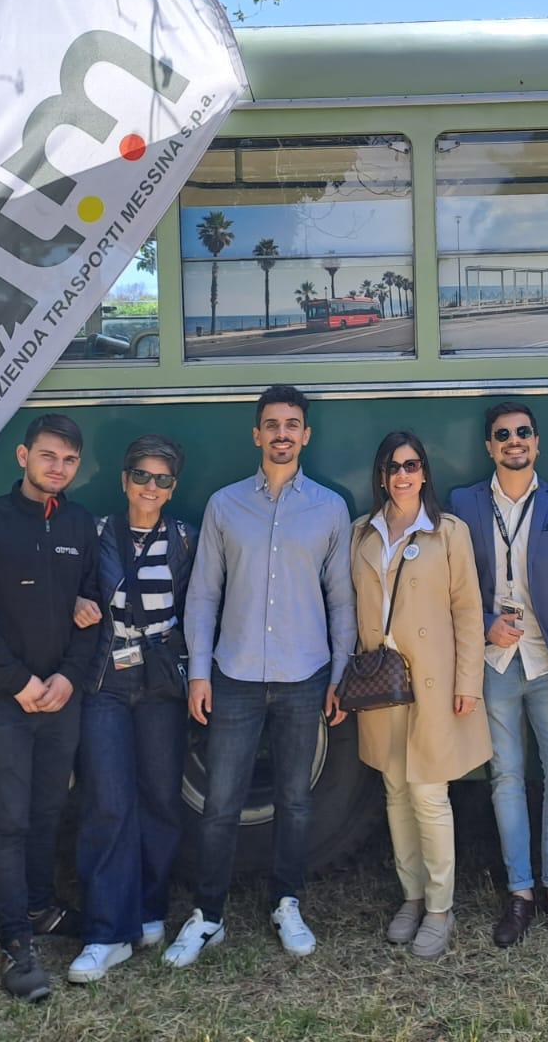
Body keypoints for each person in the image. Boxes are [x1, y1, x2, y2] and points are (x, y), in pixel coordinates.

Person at [165, 385, 356, 968]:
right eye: (271, 424)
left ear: (306, 435)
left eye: (292, 424)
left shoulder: (328, 507)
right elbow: (202, 596)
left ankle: (287, 901)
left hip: (305, 675)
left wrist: (340, 676)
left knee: (296, 801)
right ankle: (208, 916)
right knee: (221, 803)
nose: (282, 434)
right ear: (256, 434)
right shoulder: (225, 506)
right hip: (235, 675)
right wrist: (200, 674)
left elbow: (342, 600)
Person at [0, 413, 101, 1002]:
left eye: (67, 460)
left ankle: (40, 909)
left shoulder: (82, 525)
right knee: (7, 822)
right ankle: (15, 944)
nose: (57, 468)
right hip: (3, 702)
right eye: (47, 457)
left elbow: (91, 610)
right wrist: (18, 683)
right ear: (22, 457)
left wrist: (68, 678)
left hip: (61, 699)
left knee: (46, 812)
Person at [449, 401, 548, 952]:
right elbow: (453, 583)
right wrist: (486, 624)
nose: (514, 441)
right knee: (504, 778)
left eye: (523, 433)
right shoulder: (462, 503)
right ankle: (520, 892)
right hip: (495, 664)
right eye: (503, 434)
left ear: (535, 442)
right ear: (489, 446)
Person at [349, 430, 491, 960]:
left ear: (424, 472)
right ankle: (410, 897)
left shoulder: (447, 532)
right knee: (394, 790)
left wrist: (468, 685)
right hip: (379, 683)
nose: (403, 475)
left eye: (411, 465)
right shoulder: (362, 532)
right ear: (382, 476)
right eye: (393, 466)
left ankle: (439, 907)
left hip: (433, 681)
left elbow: (468, 612)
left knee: (430, 795)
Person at [66, 434, 198, 983]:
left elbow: (202, 606)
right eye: (141, 476)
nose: (150, 487)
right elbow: (62, 586)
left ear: (173, 488)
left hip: (163, 684)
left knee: (161, 799)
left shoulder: (185, 539)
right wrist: (73, 602)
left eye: (162, 479)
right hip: (107, 683)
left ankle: (148, 912)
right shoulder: (96, 534)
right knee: (108, 802)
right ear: (124, 481)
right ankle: (105, 932)